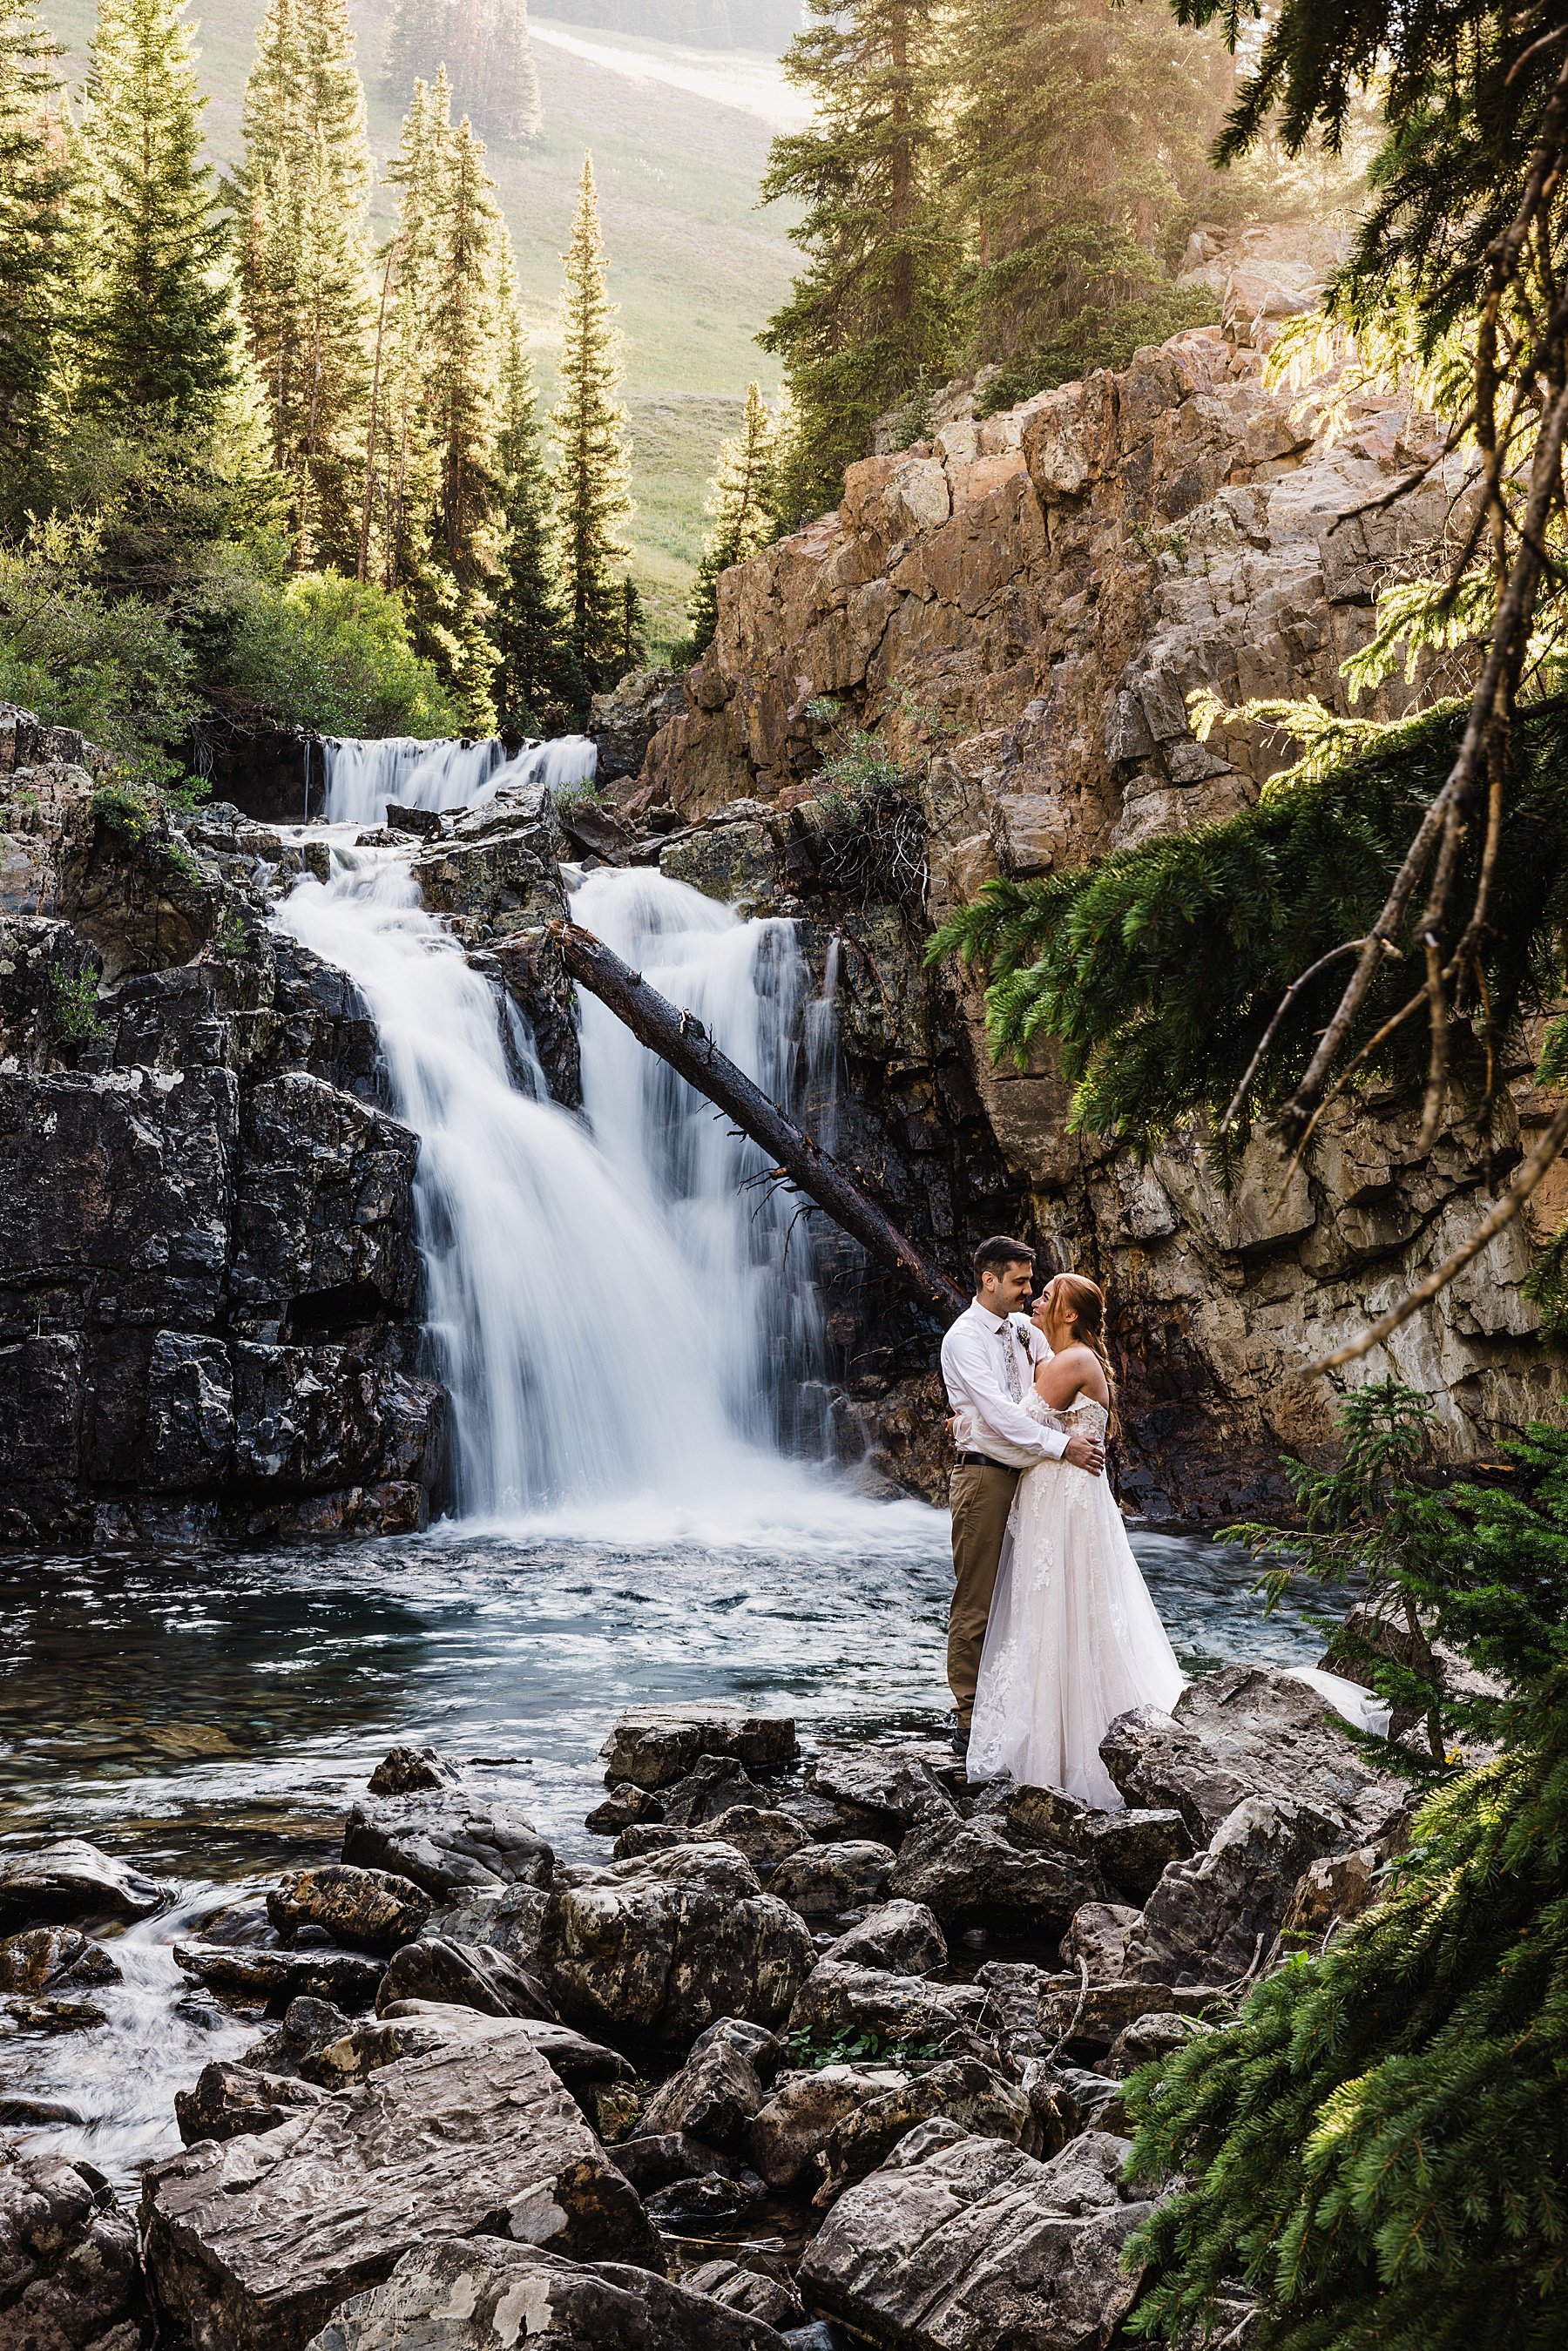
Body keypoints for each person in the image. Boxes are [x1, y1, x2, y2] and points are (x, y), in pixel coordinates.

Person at [966, 1270, 1184, 1806]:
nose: (1035, 1301)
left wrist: (962, 1425)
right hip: (1058, 1497)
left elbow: (1008, 1425)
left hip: (1065, 1503)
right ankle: (1055, 1738)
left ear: (1068, 1314)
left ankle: (1074, 1749)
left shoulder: (1074, 1361)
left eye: (1047, 1297)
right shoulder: (1058, 1360)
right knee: (1054, 1611)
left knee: (1067, 1611)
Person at [939, 1237, 1105, 1757]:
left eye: (1033, 1283)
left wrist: (973, 1426)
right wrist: (1062, 1444)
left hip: (1038, 1480)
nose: (1029, 1291)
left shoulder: (1022, 1329)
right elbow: (1002, 1415)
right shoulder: (964, 1339)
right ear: (990, 1280)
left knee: (1033, 1595)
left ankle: (1027, 1707)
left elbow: (1046, 1387)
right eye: (1020, 1281)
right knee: (979, 1597)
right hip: (987, 1477)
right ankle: (969, 1715)